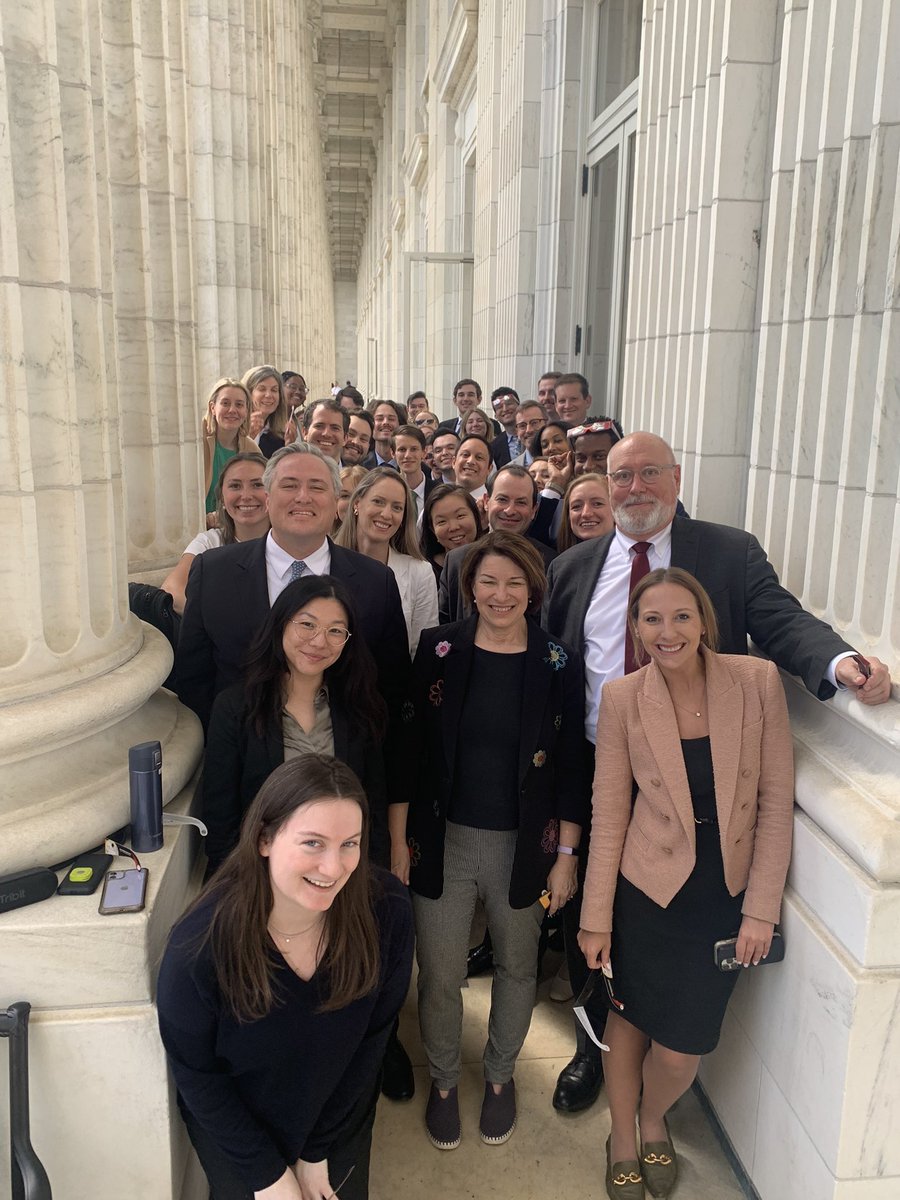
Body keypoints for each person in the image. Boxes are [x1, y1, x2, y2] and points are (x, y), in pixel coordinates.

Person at [544, 430, 892, 1115]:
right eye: (621, 477)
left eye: (649, 474)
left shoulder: (727, 553)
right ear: (604, 485)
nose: (635, 488)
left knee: (654, 919)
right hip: (588, 760)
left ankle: (650, 1051)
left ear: (676, 479)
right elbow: (555, 668)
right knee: (584, 904)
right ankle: (595, 1040)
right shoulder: (574, 567)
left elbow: (782, 621)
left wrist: (840, 664)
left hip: (687, 776)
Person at [578, 568, 795, 1200]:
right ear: (636, 629)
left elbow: (776, 801)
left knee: (680, 1050)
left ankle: (654, 1115)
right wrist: (596, 917)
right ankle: (624, 1134)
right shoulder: (623, 698)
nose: (667, 632)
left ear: (703, 620)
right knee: (629, 1022)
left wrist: (760, 911)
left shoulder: (756, 683)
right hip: (646, 894)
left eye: (680, 617)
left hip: (723, 898)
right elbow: (609, 811)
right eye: (652, 619)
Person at [157, 754, 414, 1200]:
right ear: (264, 839)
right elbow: (196, 1072)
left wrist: (317, 1152)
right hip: (240, 1136)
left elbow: (373, 1038)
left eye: (349, 844)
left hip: (338, 1121)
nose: (334, 868)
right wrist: (266, 1175)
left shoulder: (386, 912)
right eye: (313, 843)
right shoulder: (198, 947)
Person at [403, 532, 588, 1150]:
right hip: (443, 839)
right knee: (441, 972)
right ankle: (447, 1081)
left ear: (533, 589)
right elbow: (410, 749)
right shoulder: (439, 649)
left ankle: (503, 1075)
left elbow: (569, 763)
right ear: (469, 587)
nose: (500, 594)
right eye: (488, 582)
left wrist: (565, 856)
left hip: (524, 846)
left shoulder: (558, 660)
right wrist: (401, 839)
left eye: (514, 583)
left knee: (517, 965)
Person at [177, 442, 409, 734]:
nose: (303, 497)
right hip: (242, 757)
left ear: (337, 500)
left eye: (317, 487)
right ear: (267, 497)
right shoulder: (213, 572)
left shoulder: (377, 582)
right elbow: (193, 678)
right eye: (289, 485)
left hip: (341, 763)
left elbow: (391, 684)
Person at [201, 577, 389, 874]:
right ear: (281, 624)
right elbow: (220, 816)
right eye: (307, 624)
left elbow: (374, 807)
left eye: (335, 631)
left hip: (341, 877)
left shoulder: (360, 708)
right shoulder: (236, 708)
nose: (319, 641)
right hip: (262, 879)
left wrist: (372, 883)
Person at [335, 468, 438, 656]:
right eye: (378, 502)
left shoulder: (420, 573)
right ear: (357, 504)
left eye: (397, 507)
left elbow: (422, 650)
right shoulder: (326, 561)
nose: (386, 514)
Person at [438, 465, 556, 623]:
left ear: (534, 509)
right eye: (502, 499)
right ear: (486, 501)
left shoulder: (552, 565)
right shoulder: (456, 561)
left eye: (521, 502)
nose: (509, 510)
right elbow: (443, 627)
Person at [162, 451, 270, 615]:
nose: (246, 495)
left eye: (257, 485)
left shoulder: (291, 543)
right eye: (235, 486)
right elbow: (172, 591)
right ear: (222, 497)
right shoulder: (209, 542)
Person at [203, 379, 258, 521]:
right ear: (212, 408)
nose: (232, 410)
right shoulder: (197, 442)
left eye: (239, 405)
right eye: (225, 403)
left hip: (234, 526)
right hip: (197, 526)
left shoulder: (251, 449)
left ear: (246, 410)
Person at [419, 484, 482, 582]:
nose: (453, 527)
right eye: (442, 521)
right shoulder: (424, 572)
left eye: (460, 516)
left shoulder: (494, 559)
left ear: (475, 517)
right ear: (432, 529)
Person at [556, 473, 613, 552]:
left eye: (597, 504)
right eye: (576, 506)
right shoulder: (558, 562)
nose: (586, 513)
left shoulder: (632, 560)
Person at [244, 365, 291, 458]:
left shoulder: (279, 435)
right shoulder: (234, 428)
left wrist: (289, 445)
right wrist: (247, 439)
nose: (269, 395)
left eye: (274, 390)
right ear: (248, 393)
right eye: (262, 389)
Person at [391, 424, 437, 515]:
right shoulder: (388, 492)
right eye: (402, 449)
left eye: (414, 449)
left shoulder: (438, 492)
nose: (408, 455)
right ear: (393, 454)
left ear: (423, 453)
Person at [364, 400, 407, 467]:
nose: (385, 422)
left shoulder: (415, 467)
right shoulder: (361, 466)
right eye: (379, 419)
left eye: (391, 419)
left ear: (400, 424)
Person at [452, 434, 493, 502]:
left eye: (479, 457)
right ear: (453, 462)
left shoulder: (493, 505)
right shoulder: (439, 501)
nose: (471, 461)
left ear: (489, 468)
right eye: (465, 455)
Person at [489, 388, 522, 467]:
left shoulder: (536, 434)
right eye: (499, 407)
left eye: (509, 404)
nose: (505, 409)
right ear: (496, 416)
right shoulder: (494, 447)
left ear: (520, 407)